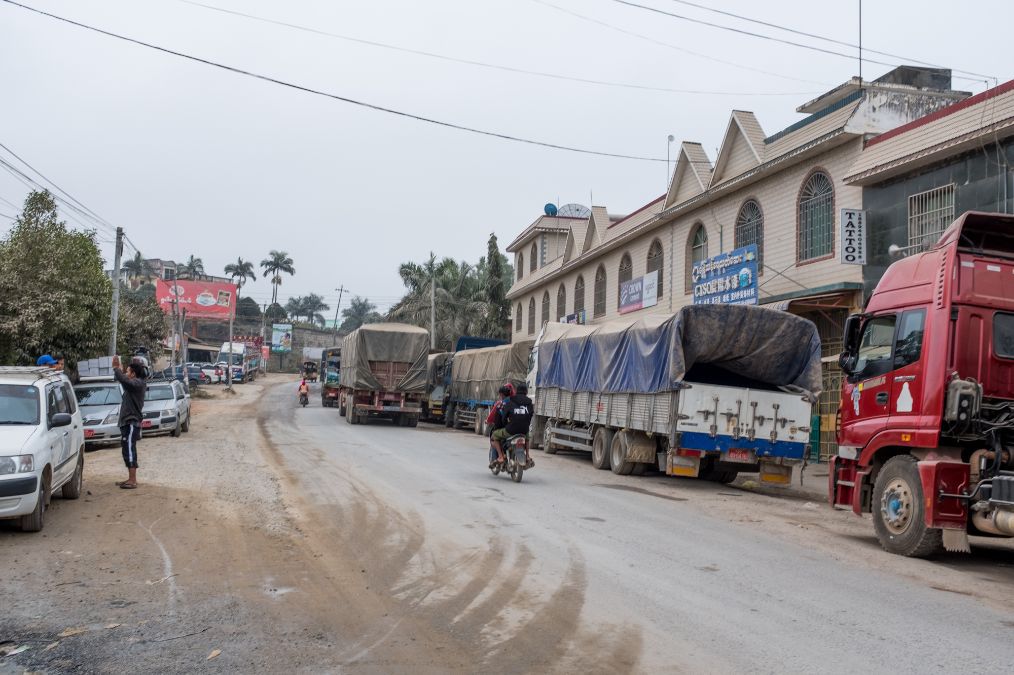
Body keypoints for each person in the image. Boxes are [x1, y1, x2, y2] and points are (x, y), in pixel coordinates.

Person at [112, 355, 147, 489]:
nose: (126, 374)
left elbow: (124, 380)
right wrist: (119, 371)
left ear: (133, 374)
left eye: (128, 371)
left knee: (130, 450)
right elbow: (124, 380)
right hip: (127, 422)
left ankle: (133, 480)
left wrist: (116, 369)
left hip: (132, 422)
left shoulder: (138, 384)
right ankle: (130, 478)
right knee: (126, 450)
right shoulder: (134, 385)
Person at [503, 383, 535, 468]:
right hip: (524, 430)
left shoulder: (511, 400)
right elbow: (531, 414)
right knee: (527, 438)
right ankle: (527, 455)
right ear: (526, 392)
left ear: (517, 391)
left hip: (511, 429)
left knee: (496, 435)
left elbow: (504, 415)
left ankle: (501, 456)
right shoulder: (529, 403)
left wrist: (505, 423)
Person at [486, 383, 514, 467]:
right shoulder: (516, 403)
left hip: (506, 429)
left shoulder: (500, 404)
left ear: (501, 394)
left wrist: (488, 421)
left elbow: (494, 418)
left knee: (494, 437)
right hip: (519, 430)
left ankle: (501, 456)